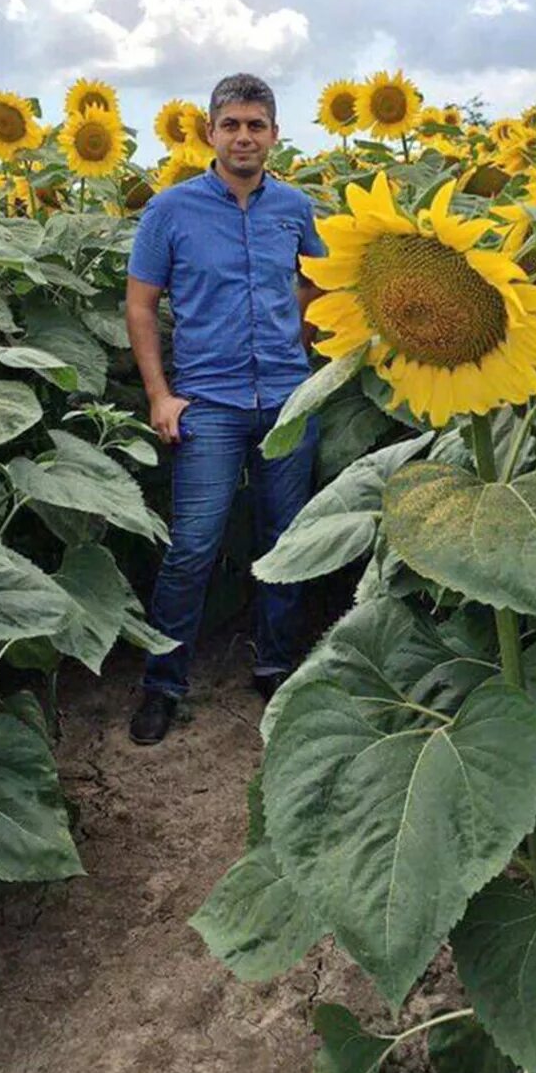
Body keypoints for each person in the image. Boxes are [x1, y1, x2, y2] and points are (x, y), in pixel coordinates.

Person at [125, 73, 324, 745]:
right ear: (210, 133)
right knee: (193, 547)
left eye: (256, 125)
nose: (244, 136)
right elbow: (141, 304)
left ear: (273, 134)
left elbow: (314, 281)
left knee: (285, 540)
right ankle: (163, 683)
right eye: (232, 124)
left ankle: (275, 666)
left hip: (287, 399)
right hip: (206, 401)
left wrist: (300, 344)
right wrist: (159, 393)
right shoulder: (171, 211)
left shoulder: (295, 208)